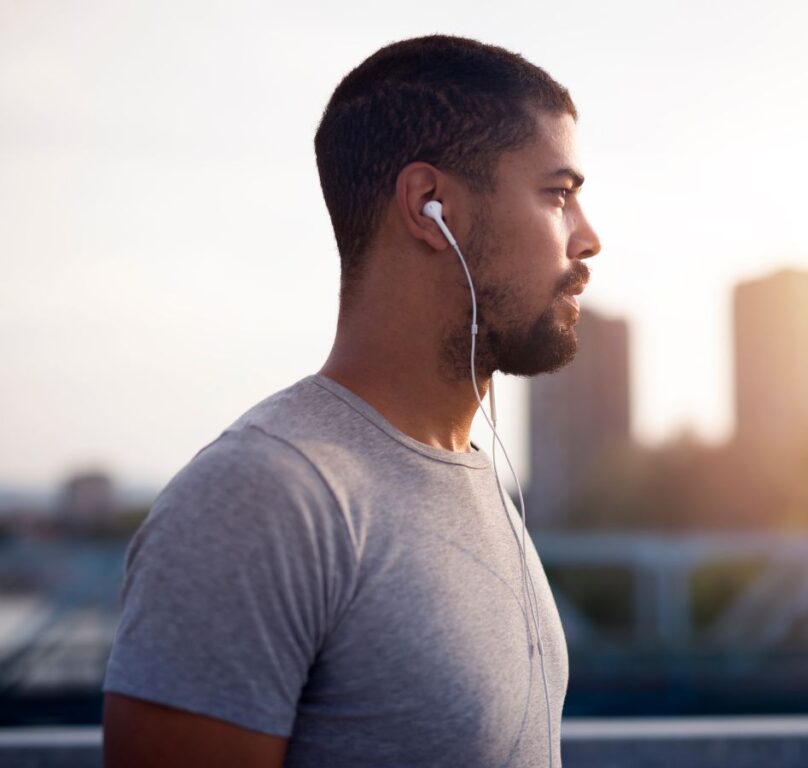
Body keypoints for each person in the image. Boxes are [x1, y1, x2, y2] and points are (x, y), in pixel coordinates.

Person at [102, 33, 601, 768]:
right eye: (558, 196)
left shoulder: (475, 474)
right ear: (431, 205)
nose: (588, 239)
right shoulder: (260, 500)